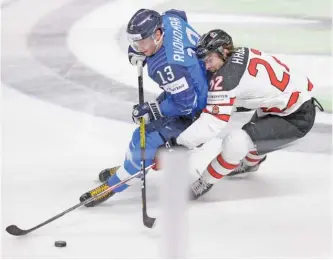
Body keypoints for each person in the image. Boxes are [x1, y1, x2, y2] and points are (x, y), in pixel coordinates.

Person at [173, 29, 323, 200]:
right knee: (255, 138)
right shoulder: (242, 52)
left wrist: (180, 143)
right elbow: (247, 93)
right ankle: (251, 164)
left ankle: (204, 182)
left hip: (296, 117)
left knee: (236, 143)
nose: (207, 66)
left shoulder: (227, 78)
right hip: (283, 103)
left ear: (224, 52)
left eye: (209, 60)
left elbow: (212, 123)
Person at [79, 9, 208, 206]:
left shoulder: (168, 66)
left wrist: (153, 110)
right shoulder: (168, 20)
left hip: (198, 110)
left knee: (144, 139)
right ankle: (131, 168)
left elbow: (185, 106)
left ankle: (115, 184)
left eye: (142, 42)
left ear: (157, 35)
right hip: (193, 86)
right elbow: (178, 14)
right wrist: (141, 51)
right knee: (144, 136)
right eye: (134, 42)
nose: (138, 47)